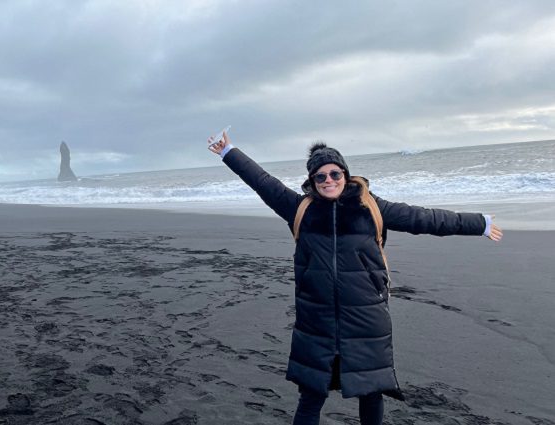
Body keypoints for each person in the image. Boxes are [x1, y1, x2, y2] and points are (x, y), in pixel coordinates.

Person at [207, 133, 503, 425]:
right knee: (311, 395)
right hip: (316, 319)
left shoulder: (371, 207)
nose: (328, 180)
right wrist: (228, 151)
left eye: (334, 173)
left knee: (371, 392)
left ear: (346, 175)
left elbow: (424, 219)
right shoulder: (300, 210)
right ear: (312, 182)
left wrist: (479, 224)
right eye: (320, 177)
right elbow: (261, 181)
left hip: (366, 319)